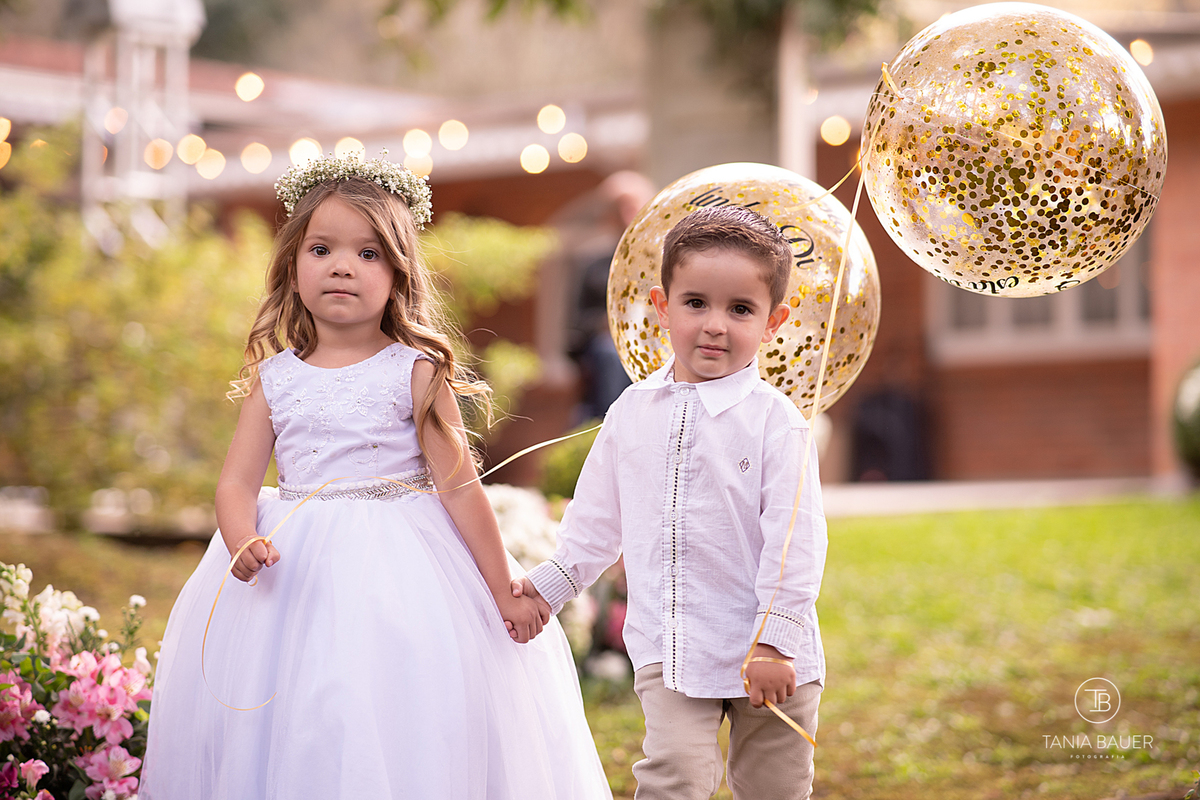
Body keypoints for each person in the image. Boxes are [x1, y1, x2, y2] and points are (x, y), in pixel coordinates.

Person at [140, 153, 611, 800]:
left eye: (368, 254)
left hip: (401, 567)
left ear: (397, 275)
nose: (342, 265)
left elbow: (459, 485)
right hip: (292, 574)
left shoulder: (414, 371)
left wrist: (504, 587)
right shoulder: (275, 379)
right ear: (291, 267)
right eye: (322, 248)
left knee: (390, 702)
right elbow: (235, 484)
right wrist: (242, 537)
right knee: (305, 710)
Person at [514, 206, 828, 800]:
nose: (715, 324)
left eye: (740, 309)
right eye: (696, 303)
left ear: (774, 320)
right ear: (662, 306)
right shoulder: (632, 412)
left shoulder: (775, 423)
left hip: (767, 653)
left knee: (773, 787)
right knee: (673, 777)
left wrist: (775, 639)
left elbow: (796, 539)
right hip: (675, 645)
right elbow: (596, 521)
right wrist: (547, 591)